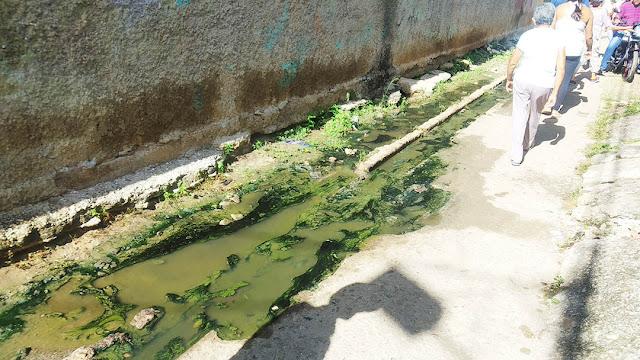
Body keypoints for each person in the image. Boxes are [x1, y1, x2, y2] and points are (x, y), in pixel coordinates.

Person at [506, 3, 566, 166]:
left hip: (523, 80)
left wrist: (509, 78)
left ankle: (516, 155)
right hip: (544, 84)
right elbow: (561, 68)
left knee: (519, 115)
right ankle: (528, 143)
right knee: (535, 114)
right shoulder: (559, 38)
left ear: (533, 20)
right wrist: (555, 93)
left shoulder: (527, 36)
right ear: (553, 19)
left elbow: (513, 62)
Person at [546, 0, 593, 118]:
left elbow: (551, 29)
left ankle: (545, 103)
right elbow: (589, 36)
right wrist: (589, 49)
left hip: (556, 48)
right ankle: (554, 109)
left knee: (551, 75)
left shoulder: (560, 8)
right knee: (564, 80)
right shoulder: (588, 12)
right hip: (574, 51)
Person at [598, 0, 640, 74]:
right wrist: (617, 20)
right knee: (611, 46)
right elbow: (618, 16)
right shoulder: (625, 5)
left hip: (636, 32)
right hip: (623, 30)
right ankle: (602, 67)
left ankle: (638, 67)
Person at [590, 0, 613, 81]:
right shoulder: (603, 11)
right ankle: (593, 75)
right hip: (596, 35)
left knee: (582, 53)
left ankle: (573, 76)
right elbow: (609, 25)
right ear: (602, 2)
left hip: (585, 33)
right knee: (594, 54)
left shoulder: (587, 9)